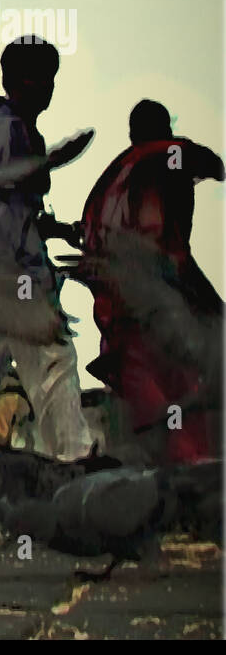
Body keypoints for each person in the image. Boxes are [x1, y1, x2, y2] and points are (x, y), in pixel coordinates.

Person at [0, 35, 92, 461]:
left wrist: (58, 229)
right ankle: (73, 454)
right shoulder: (9, 131)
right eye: (40, 79)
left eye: (51, 80)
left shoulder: (8, 128)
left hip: (1, 273)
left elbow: (11, 204)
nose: (47, 89)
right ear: (17, 81)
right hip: (15, 271)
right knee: (53, 356)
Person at [79, 100, 223, 463]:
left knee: (154, 402)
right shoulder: (166, 153)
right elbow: (215, 166)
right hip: (170, 290)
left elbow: (90, 239)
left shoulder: (107, 181)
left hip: (122, 316)